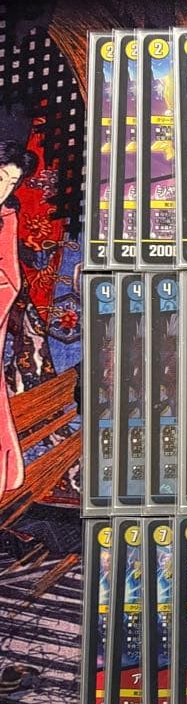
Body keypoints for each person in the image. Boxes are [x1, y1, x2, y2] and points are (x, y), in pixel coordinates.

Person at [0, 141, 38, 493]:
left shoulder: (6, 216)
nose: (4, 190)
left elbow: (11, 279)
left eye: (12, 183)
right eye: (1, 178)